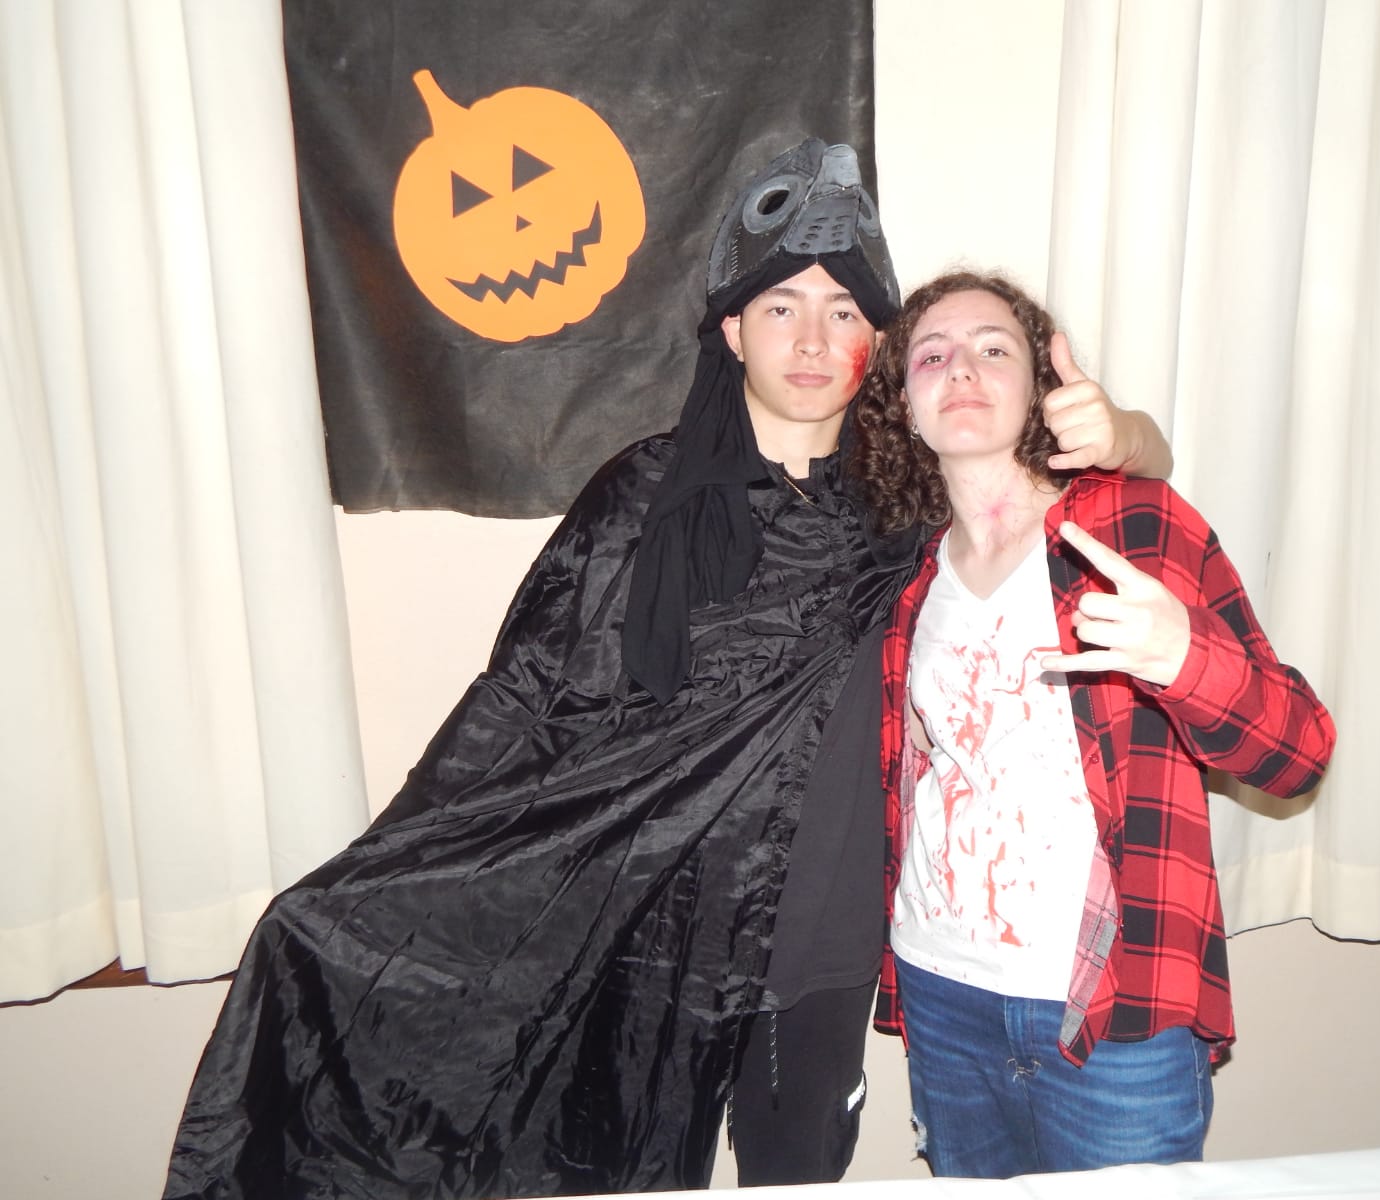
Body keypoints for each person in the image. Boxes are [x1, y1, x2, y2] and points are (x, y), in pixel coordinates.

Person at [163, 146, 1169, 1200]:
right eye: (779, 308)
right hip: (646, 928)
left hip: (816, 944)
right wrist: (369, 893)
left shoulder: (915, 498)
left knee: (796, 1176)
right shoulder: (641, 497)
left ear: (874, 341)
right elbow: (525, 715)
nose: (811, 339)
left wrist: (1128, 432)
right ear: (731, 329)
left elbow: (1101, 483)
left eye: (841, 310)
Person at [848, 270, 1336, 1179]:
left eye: (993, 349)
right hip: (941, 988)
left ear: (1040, 389)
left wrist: (1183, 658)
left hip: (1115, 1005)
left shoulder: (1130, 527)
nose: (962, 369)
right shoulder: (904, 576)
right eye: (932, 355)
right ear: (903, 405)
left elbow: (1298, 754)